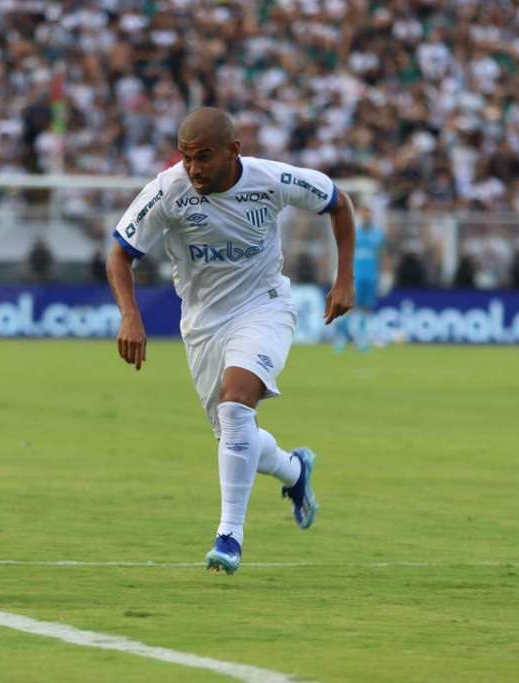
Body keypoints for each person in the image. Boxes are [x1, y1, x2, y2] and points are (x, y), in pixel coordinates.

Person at [106, 107, 356, 575]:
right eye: (186, 158)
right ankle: (295, 471)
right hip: (202, 325)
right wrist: (129, 315)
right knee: (234, 434)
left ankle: (229, 536)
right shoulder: (167, 191)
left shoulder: (271, 179)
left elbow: (338, 202)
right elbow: (119, 254)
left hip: (265, 307)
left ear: (232, 151)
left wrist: (345, 279)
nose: (194, 169)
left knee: (237, 405)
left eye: (203, 157)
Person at [335, 204, 385, 353]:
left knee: (366, 308)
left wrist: (385, 274)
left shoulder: (378, 235)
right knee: (349, 307)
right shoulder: (353, 233)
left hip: (371, 277)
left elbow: (383, 256)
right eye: (364, 214)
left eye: (369, 214)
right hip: (355, 276)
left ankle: (361, 340)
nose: (367, 217)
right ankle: (341, 337)